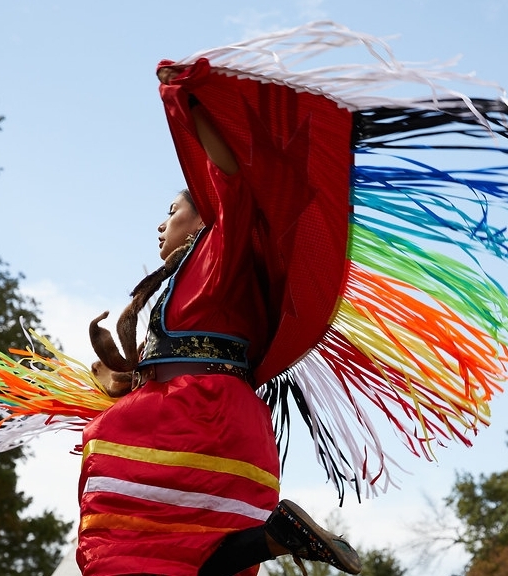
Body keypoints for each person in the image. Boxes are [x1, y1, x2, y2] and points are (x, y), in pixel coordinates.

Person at [77, 65, 361, 576]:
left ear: (204, 216)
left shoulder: (221, 251)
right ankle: (273, 538)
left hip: (197, 417)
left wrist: (192, 103)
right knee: (199, 563)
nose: (160, 224)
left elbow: (231, 179)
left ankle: (271, 537)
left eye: (171, 209)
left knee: (122, 542)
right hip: (229, 431)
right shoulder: (185, 281)